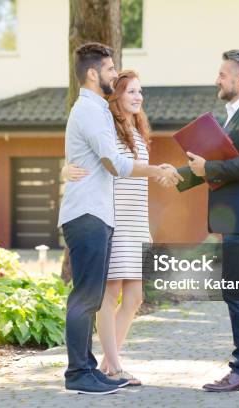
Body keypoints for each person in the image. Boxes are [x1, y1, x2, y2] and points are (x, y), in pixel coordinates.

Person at [58, 42, 182, 395]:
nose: (115, 73)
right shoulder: (90, 112)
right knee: (87, 297)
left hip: (99, 213)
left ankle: (89, 369)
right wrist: (156, 170)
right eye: (111, 70)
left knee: (93, 296)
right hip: (88, 214)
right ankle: (79, 373)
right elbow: (115, 163)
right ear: (94, 73)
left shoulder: (94, 111)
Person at [175, 49, 239, 392]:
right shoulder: (238, 114)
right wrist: (181, 175)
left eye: (222, 74)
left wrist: (209, 168)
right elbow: (220, 162)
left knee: (237, 291)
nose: (217, 80)